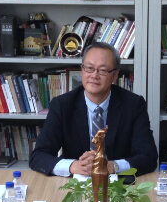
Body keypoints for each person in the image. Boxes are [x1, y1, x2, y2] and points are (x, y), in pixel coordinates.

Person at [29, 41, 158, 176]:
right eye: (89, 68)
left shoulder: (134, 105)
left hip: (118, 182)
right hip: (75, 182)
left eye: (102, 70)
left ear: (115, 75)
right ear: (82, 70)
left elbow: (148, 157)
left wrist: (113, 166)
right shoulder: (62, 105)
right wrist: (74, 166)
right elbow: (38, 156)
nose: (94, 75)